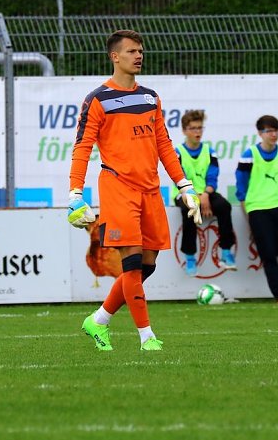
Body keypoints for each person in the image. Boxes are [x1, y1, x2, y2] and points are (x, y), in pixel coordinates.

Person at [67, 29, 202, 352]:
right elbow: (82, 147)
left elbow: (164, 146)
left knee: (147, 265)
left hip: (150, 190)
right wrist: (75, 193)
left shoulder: (150, 98)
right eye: (131, 51)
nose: (138, 55)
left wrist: (184, 185)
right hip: (118, 189)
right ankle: (146, 337)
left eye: (140, 50)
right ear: (115, 57)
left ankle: (98, 320)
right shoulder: (97, 99)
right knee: (131, 262)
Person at [235, 115, 278, 305]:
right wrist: (249, 216)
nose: (273, 134)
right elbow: (242, 189)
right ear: (260, 133)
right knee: (268, 253)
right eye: (269, 131)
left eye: (276, 130)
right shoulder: (249, 156)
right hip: (258, 209)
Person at [171, 109, 237, 277]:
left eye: (200, 128)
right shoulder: (177, 152)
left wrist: (205, 194)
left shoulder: (209, 151)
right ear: (185, 130)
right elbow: (180, 179)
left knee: (224, 206)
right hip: (184, 192)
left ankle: (226, 252)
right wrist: (198, 197)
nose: (197, 132)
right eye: (193, 128)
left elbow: (213, 178)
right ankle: (190, 257)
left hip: (205, 193)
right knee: (190, 210)